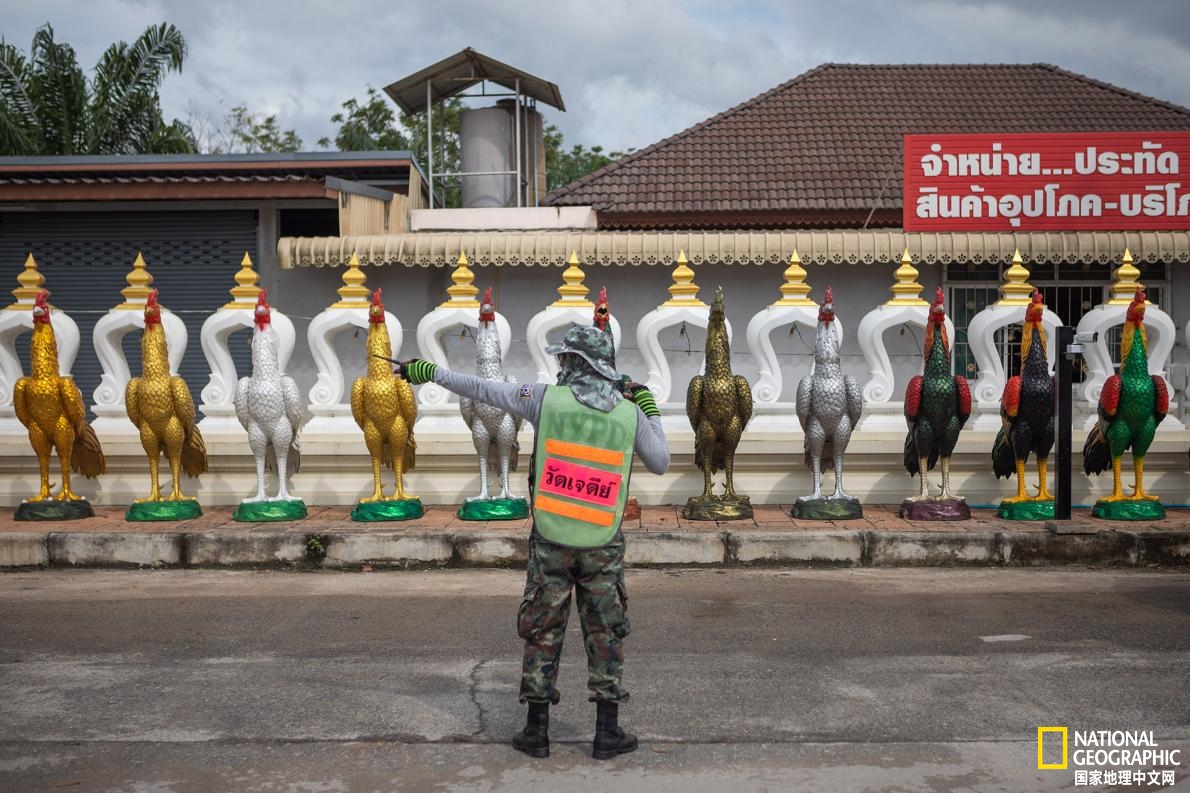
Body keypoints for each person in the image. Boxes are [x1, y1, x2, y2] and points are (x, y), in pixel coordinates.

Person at [394, 324, 669, 760]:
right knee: (605, 633)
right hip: (603, 542)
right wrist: (648, 407)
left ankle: (537, 733)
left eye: (564, 357)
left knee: (543, 631)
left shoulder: (543, 399)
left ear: (575, 362)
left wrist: (428, 372)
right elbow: (660, 460)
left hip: (551, 539)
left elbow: (485, 389)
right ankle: (606, 733)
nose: (559, 363)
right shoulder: (628, 412)